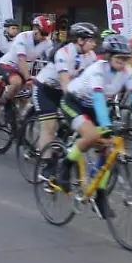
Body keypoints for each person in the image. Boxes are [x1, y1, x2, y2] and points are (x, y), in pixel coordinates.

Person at [59, 35, 132, 217]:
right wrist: (106, 125)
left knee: (108, 151)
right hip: (74, 102)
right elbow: (98, 98)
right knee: (91, 136)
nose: (122, 63)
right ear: (108, 56)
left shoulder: (127, 72)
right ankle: (65, 165)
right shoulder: (98, 69)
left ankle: (100, 196)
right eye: (118, 59)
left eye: (125, 59)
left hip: (94, 109)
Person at [35, 22, 98, 181]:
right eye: (91, 40)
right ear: (80, 40)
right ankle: (47, 167)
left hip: (69, 91)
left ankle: (62, 146)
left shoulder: (90, 56)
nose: (94, 44)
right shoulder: (64, 53)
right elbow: (65, 84)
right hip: (47, 90)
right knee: (49, 127)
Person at [0, 15, 55, 113]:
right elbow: (21, 59)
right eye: (43, 33)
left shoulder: (47, 41)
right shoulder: (23, 37)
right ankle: (6, 104)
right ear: (35, 29)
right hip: (9, 65)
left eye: (47, 34)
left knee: (25, 97)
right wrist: (28, 78)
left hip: (23, 69)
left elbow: (53, 59)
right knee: (17, 82)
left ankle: (19, 121)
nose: (45, 37)